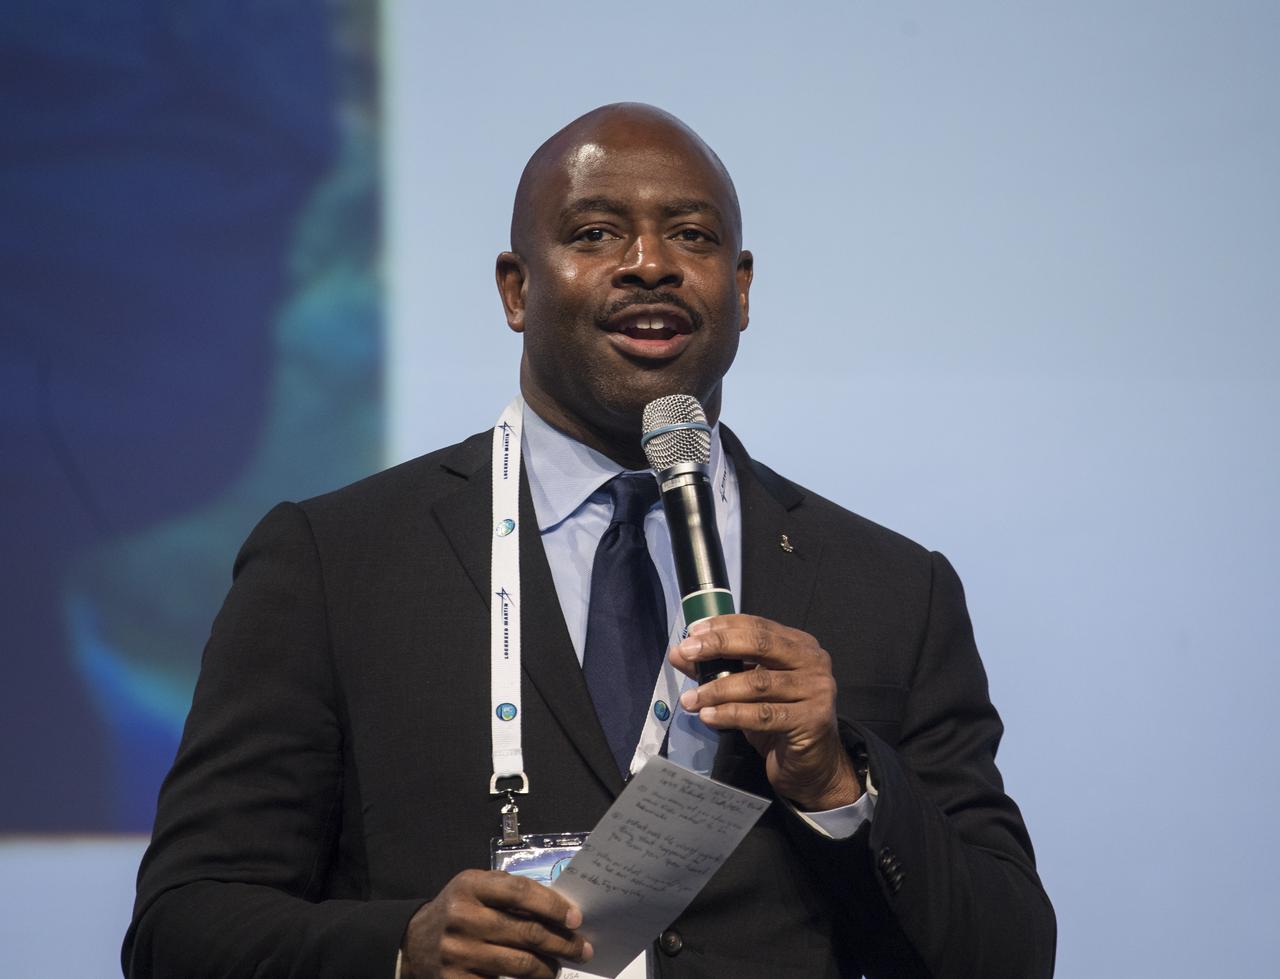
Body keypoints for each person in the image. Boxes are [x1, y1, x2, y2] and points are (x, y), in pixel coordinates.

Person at [124, 103, 1055, 979]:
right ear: (516, 290)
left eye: (692, 235)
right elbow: (183, 925)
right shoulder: (332, 560)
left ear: (740, 289)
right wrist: (400, 950)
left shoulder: (893, 588)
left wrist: (841, 782)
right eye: (594, 232)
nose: (650, 263)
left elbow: (1009, 949)